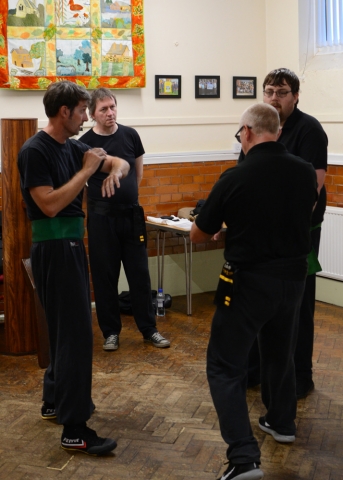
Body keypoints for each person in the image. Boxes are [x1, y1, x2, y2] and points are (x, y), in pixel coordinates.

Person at [190, 103, 318, 480]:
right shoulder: (305, 171)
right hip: (294, 279)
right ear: (276, 133)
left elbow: (199, 233)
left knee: (224, 365)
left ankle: (243, 458)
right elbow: (306, 209)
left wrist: (222, 222)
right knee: (280, 352)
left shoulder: (235, 177)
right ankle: (282, 423)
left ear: (246, 132)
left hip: (249, 281)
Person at [17, 81, 130, 455]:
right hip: (54, 247)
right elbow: (48, 204)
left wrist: (114, 170)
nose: (86, 117)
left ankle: (54, 402)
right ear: (64, 112)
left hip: (68, 245)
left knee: (64, 330)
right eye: (82, 111)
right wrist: (87, 173)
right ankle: (75, 429)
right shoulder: (35, 150)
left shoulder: (72, 145)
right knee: (77, 336)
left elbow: (117, 160)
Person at [241, 68, 328, 399]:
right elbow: (245, 175)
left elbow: (313, 188)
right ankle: (255, 372)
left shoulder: (310, 130)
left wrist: (283, 225)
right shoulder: (257, 126)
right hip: (263, 234)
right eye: (269, 91)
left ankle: (300, 378)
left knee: (298, 308)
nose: (274, 98)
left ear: (295, 96)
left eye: (281, 92)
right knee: (258, 304)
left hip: (298, 234)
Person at [79, 88, 170, 351]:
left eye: (112, 107)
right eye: (103, 109)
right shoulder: (85, 143)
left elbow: (137, 175)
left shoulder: (130, 135)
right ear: (93, 113)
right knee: (105, 276)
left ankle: (148, 328)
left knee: (140, 274)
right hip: (100, 220)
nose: (110, 113)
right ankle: (111, 332)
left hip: (131, 217)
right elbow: (83, 184)